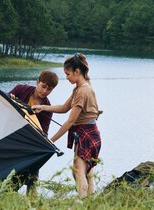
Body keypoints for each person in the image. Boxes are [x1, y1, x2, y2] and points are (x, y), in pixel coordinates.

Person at [33, 53, 101, 198]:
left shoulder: (82, 91)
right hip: (87, 132)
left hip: (86, 133)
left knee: (78, 170)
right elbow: (64, 108)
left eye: (68, 74)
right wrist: (43, 108)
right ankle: (90, 201)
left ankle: (83, 204)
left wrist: (51, 140)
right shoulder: (81, 88)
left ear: (77, 71)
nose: (67, 77)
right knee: (86, 172)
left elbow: (70, 121)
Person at [8, 70, 59, 195]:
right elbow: (3, 102)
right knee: (9, 175)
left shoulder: (47, 108)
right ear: (37, 82)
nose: (44, 91)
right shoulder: (20, 89)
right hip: (11, 137)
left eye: (49, 89)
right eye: (43, 86)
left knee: (33, 174)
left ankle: (32, 199)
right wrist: (10, 99)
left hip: (29, 142)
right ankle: (6, 194)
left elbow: (43, 133)